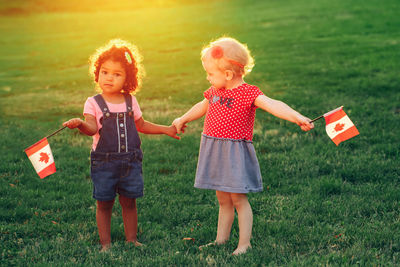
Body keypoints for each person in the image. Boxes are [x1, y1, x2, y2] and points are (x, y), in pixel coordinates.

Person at [172, 37, 314, 255]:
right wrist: (183, 119)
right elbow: (202, 106)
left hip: (234, 153)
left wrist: (297, 117)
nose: (207, 77)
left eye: (210, 73)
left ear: (228, 74)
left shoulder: (249, 93)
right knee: (222, 198)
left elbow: (273, 104)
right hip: (215, 149)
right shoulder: (215, 92)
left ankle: (244, 243)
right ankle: (221, 239)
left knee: (238, 198)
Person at [63, 39, 180, 251]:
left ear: (127, 78)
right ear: (97, 73)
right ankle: (105, 243)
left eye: (117, 74)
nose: (109, 78)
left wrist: (166, 128)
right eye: (105, 72)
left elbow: (141, 125)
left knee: (129, 202)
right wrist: (80, 124)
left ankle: (132, 239)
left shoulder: (130, 101)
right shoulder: (93, 102)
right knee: (104, 203)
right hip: (104, 164)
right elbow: (91, 127)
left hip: (130, 162)